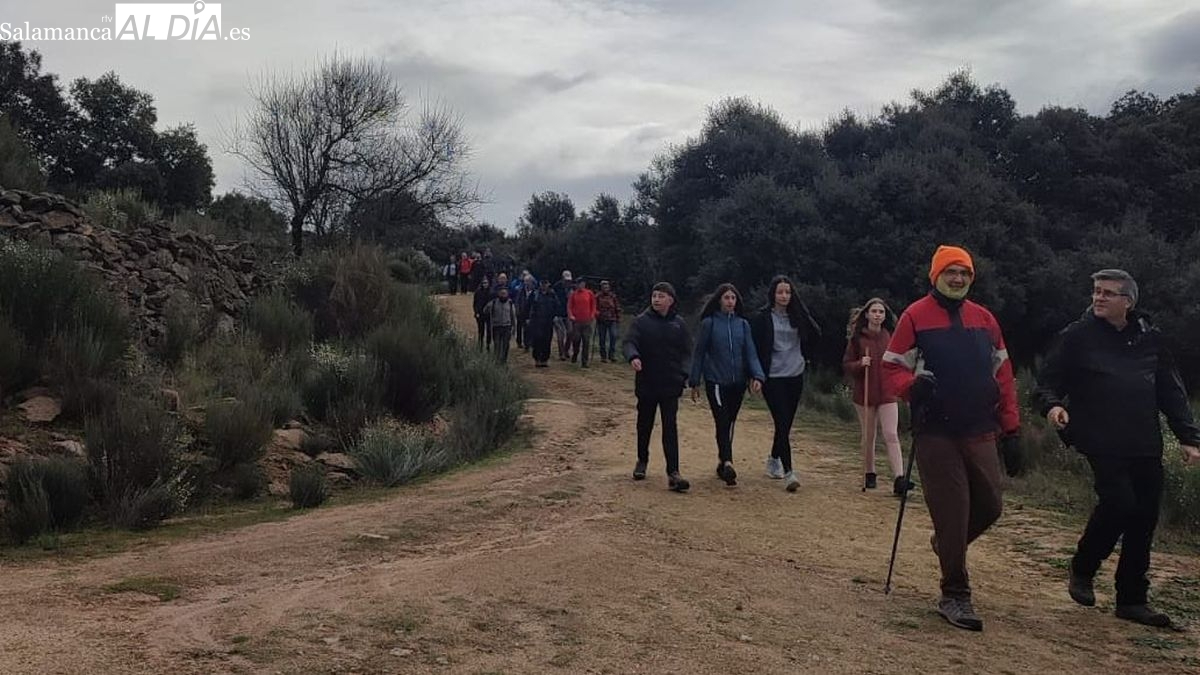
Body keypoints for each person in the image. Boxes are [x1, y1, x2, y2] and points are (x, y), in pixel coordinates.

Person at [1034, 269, 1200, 628]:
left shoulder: (1150, 338)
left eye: (1108, 293)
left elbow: (1170, 391)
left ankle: (1132, 600)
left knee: (1143, 518)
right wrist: (1052, 405)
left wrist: (1189, 437)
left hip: (1143, 440)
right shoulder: (1078, 335)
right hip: (1098, 435)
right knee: (1120, 503)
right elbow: (1047, 380)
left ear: (1128, 301)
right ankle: (1083, 566)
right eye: (1096, 291)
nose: (1099, 298)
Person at [881, 245, 1021, 632]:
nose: (957, 278)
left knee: (990, 506)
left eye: (964, 273)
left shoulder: (985, 319)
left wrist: (1012, 429)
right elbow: (890, 368)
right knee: (953, 510)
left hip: (980, 427)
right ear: (935, 275)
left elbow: (1004, 376)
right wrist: (913, 386)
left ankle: (947, 544)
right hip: (935, 431)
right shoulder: (915, 315)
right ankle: (955, 593)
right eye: (950, 272)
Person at [689, 283, 765, 486]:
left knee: (730, 421)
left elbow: (750, 353)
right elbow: (699, 352)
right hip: (715, 380)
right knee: (722, 420)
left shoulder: (743, 325)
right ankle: (729, 461)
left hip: (737, 382)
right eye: (726, 298)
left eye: (733, 298)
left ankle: (723, 461)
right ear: (719, 300)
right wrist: (694, 380)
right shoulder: (709, 323)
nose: (730, 301)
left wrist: (757, 376)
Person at [750, 275, 820, 492]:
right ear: (773, 294)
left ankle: (773, 457)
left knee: (786, 423)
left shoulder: (798, 315)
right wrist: (756, 375)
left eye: (788, 292)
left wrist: (802, 312)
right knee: (781, 421)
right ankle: (790, 472)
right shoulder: (762, 318)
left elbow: (817, 334)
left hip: (795, 373)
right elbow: (754, 348)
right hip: (772, 375)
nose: (784, 296)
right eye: (780, 292)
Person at [623, 282, 692, 492]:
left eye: (661, 296)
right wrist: (633, 357)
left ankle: (673, 472)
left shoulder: (679, 324)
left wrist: (686, 374)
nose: (656, 299)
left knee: (670, 427)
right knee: (644, 424)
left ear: (670, 300)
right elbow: (629, 342)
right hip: (647, 383)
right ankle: (642, 461)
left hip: (671, 384)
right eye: (654, 296)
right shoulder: (641, 322)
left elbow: (688, 352)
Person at [843, 298, 909, 495]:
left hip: (887, 393)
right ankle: (869, 473)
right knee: (869, 435)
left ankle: (899, 478)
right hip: (864, 393)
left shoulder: (890, 337)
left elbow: (899, 362)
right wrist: (859, 364)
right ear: (867, 314)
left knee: (891, 434)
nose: (878, 315)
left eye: (881, 312)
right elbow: (846, 365)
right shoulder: (856, 339)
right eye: (874, 311)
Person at [527, 278, 559, 367]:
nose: (544, 285)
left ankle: (544, 359)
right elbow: (528, 306)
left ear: (548, 284)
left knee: (547, 340)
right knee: (537, 340)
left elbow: (557, 306)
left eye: (546, 283)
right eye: (542, 283)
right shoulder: (534, 294)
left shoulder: (552, 294)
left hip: (548, 321)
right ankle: (537, 359)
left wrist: (555, 316)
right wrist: (527, 318)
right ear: (540, 284)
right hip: (536, 321)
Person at [567, 277, 598, 368]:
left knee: (586, 341)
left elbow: (593, 305)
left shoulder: (589, 293)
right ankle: (575, 353)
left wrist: (592, 314)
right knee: (576, 339)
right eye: (578, 283)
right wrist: (571, 315)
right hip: (576, 321)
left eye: (582, 283)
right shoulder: (573, 294)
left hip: (587, 321)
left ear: (584, 284)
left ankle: (585, 361)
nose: (580, 285)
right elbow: (569, 306)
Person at [483, 286, 517, 363]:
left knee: (505, 345)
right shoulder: (493, 302)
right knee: (497, 345)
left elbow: (513, 316)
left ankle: (503, 360)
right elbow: (485, 310)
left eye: (504, 293)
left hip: (507, 327)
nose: (503, 295)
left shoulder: (510, 303)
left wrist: (514, 328)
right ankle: (496, 360)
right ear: (498, 294)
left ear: (507, 294)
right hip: (496, 327)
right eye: (501, 293)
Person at [596, 279, 622, 363]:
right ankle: (603, 356)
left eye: (607, 287)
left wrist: (618, 317)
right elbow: (595, 307)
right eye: (604, 287)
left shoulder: (613, 296)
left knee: (613, 336)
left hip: (612, 319)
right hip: (601, 320)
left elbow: (617, 307)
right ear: (601, 288)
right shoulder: (597, 296)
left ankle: (612, 355)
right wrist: (596, 314)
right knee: (602, 339)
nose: (606, 288)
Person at [552, 271, 574, 361]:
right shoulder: (556, 287)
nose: (567, 282)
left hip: (568, 314)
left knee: (570, 332)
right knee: (560, 335)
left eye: (569, 281)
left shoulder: (572, 288)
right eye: (566, 280)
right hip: (558, 314)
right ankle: (561, 354)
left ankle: (566, 350)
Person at [515, 273, 537, 351]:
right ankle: (521, 342)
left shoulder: (535, 292)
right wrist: (517, 310)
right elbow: (517, 301)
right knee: (521, 328)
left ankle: (528, 344)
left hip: (530, 313)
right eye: (525, 281)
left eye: (528, 281)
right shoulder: (521, 291)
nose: (526, 283)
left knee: (529, 329)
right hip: (522, 312)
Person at [472, 277, 493, 352]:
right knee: (481, 330)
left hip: (488, 314)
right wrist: (476, 312)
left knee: (489, 330)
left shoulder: (491, 292)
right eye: (484, 283)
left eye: (486, 283)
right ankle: (480, 344)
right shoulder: (478, 292)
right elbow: (475, 303)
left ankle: (488, 344)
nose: (485, 284)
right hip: (480, 314)